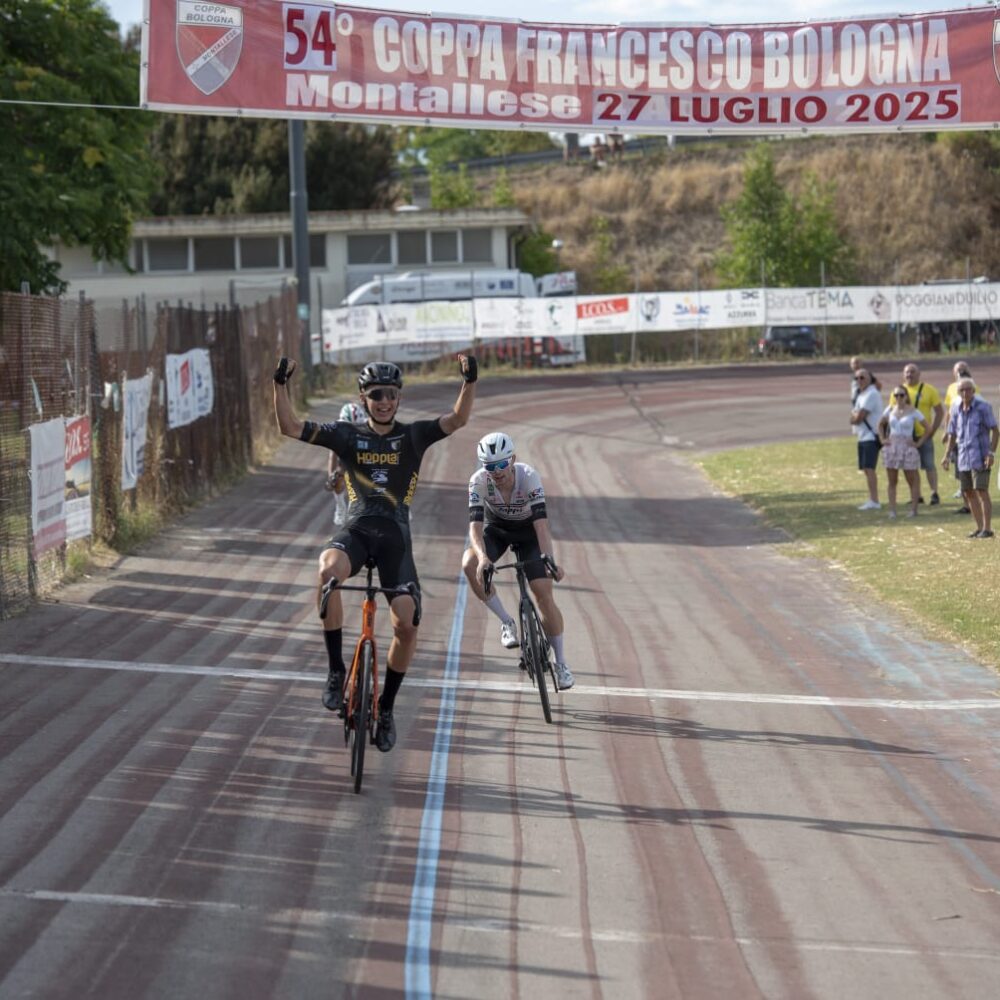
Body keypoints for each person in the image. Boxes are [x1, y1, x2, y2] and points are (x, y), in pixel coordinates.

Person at [273, 354, 478, 752]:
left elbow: (456, 421)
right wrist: (279, 385)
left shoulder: (413, 436)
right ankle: (335, 671)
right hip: (357, 529)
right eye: (376, 394)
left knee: (406, 622)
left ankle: (385, 708)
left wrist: (469, 383)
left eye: (391, 394)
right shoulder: (348, 436)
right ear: (362, 398)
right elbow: (290, 426)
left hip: (395, 538)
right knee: (327, 573)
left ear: (399, 398)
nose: (384, 401)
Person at [462, 432, 574, 691]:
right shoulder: (478, 482)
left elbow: (542, 526)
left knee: (544, 595)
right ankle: (506, 622)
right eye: (490, 466)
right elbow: (475, 528)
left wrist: (549, 559)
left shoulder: (528, 476)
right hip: (497, 531)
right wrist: (483, 559)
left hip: (529, 533)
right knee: (469, 563)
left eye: (502, 464)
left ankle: (561, 662)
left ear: (512, 459)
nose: (497, 471)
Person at [941, 377, 998, 539]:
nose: (965, 392)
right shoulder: (955, 408)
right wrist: (946, 455)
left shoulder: (983, 407)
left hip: (980, 456)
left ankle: (987, 528)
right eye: (962, 390)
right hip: (963, 458)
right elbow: (952, 435)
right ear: (958, 392)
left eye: (968, 389)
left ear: (974, 391)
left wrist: (991, 453)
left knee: (981, 490)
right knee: (967, 492)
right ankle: (979, 528)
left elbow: (995, 431)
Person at [879, 385, 925, 519]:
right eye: (896, 395)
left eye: (901, 395)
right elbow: (880, 424)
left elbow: (927, 428)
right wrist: (883, 439)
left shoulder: (913, 411)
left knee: (912, 479)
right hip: (892, 447)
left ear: (906, 396)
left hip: (907, 446)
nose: (898, 398)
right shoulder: (890, 409)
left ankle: (914, 509)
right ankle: (892, 510)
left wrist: (918, 443)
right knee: (892, 480)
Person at [901, 362, 944, 505]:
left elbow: (939, 412)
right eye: (907, 372)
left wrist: (933, 429)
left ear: (919, 374)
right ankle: (917, 495)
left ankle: (934, 493)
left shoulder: (929, 390)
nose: (909, 374)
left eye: (912, 372)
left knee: (929, 464)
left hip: (924, 435)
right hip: (906, 436)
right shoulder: (899, 391)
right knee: (910, 466)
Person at [941, 361, 977, 511]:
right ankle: (966, 502)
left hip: (971, 436)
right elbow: (949, 411)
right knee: (959, 466)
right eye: (958, 371)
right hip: (956, 433)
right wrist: (946, 430)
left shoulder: (972, 386)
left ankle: (973, 501)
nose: (960, 373)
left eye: (963, 370)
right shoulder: (951, 388)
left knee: (973, 470)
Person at [326, 402, 367, 526]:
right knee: (336, 477)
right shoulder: (337, 433)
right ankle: (340, 506)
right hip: (346, 460)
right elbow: (332, 457)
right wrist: (332, 479)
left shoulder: (370, 430)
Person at [849, 368, 882, 510]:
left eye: (862, 377)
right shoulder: (861, 394)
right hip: (862, 436)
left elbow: (859, 417)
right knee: (866, 469)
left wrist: (854, 417)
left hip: (870, 435)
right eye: (856, 378)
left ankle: (874, 500)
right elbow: (854, 416)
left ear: (870, 378)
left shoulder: (872, 394)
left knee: (869, 468)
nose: (859, 380)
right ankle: (872, 499)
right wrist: (854, 417)